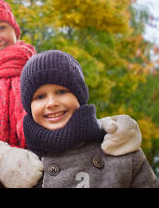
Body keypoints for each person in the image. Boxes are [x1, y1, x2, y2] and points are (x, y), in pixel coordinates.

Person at [0, 0, 143, 188]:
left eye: (1, 27)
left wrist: (109, 129)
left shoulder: (43, 68)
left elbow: (74, 111)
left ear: (14, 29)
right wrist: (3, 156)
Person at [20, 50, 158, 187]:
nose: (51, 103)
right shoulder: (20, 167)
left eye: (61, 92)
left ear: (79, 96)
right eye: (40, 97)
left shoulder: (121, 150)